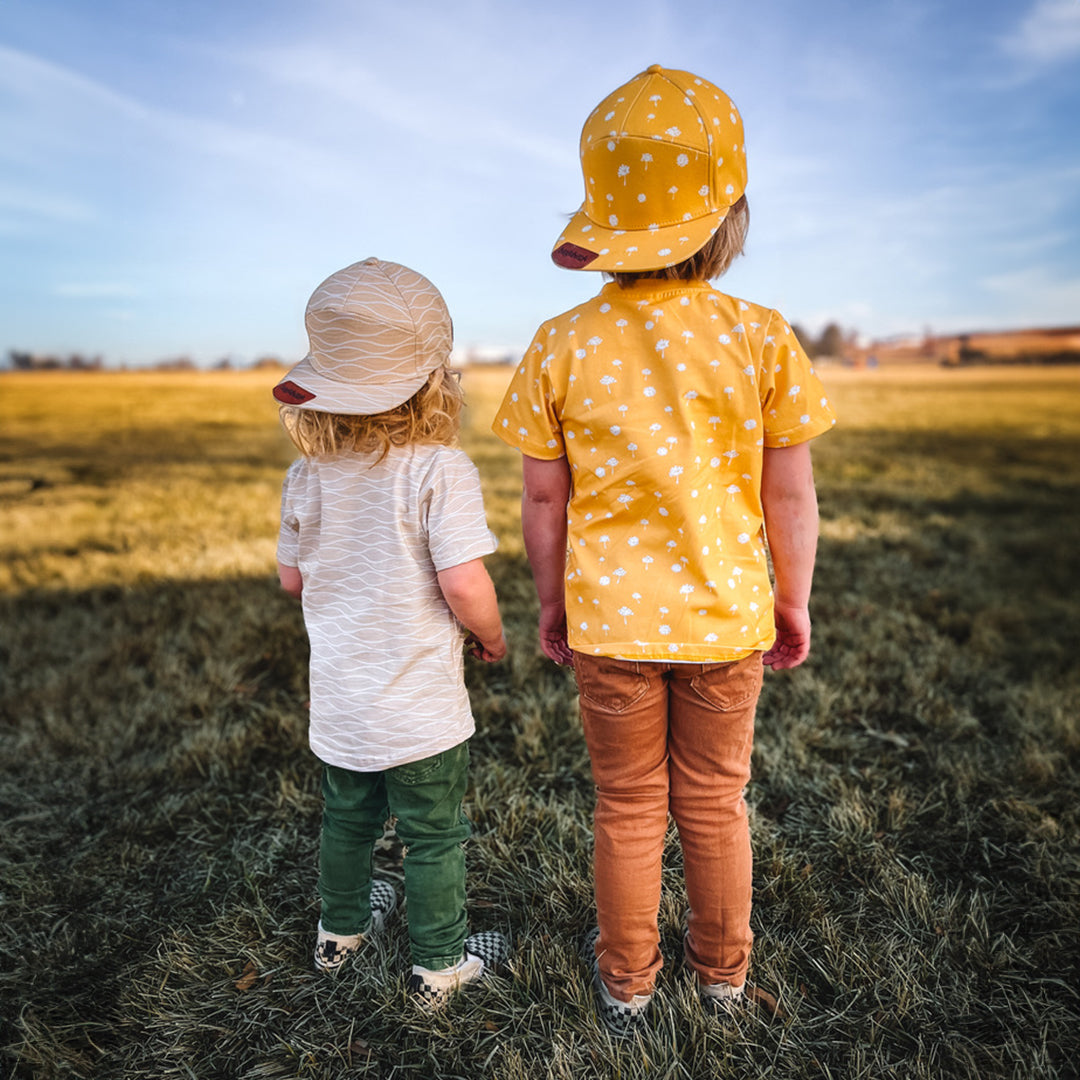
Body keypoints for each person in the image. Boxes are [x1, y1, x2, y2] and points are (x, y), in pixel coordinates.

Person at [492, 65, 836, 1036]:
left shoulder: (561, 342)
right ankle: (724, 980)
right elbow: (790, 493)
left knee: (630, 809)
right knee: (717, 806)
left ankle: (626, 990)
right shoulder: (762, 338)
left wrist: (552, 602)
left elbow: (541, 496)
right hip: (728, 619)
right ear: (729, 217)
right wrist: (792, 598)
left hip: (609, 622)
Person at [274, 257, 509, 1005]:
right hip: (420, 706)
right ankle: (439, 967)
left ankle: (337, 935)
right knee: (433, 833)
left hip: (339, 699)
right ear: (434, 381)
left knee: (346, 818)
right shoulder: (440, 468)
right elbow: (464, 582)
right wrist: (493, 637)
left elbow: (291, 579)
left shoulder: (306, 476)